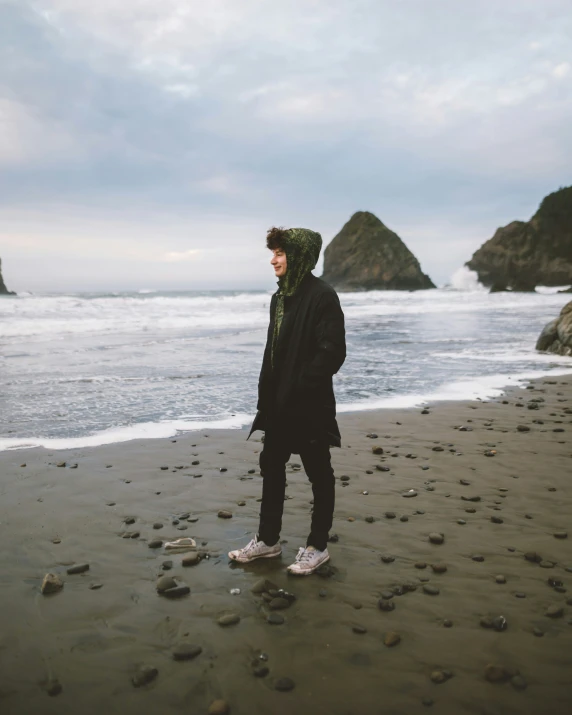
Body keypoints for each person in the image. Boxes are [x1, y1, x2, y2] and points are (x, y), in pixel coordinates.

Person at [228, 226, 346, 575]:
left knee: (318, 473)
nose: (273, 259)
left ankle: (317, 546)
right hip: (277, 405)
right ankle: (267, 540)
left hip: (308, 405)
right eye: (274, 252)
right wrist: (269, 394)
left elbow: (333, 352)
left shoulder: (323, 296)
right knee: (271, 467)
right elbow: (274, 353)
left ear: (299, 256)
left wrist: (300, 385)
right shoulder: (279, 297)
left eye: (280, 253)